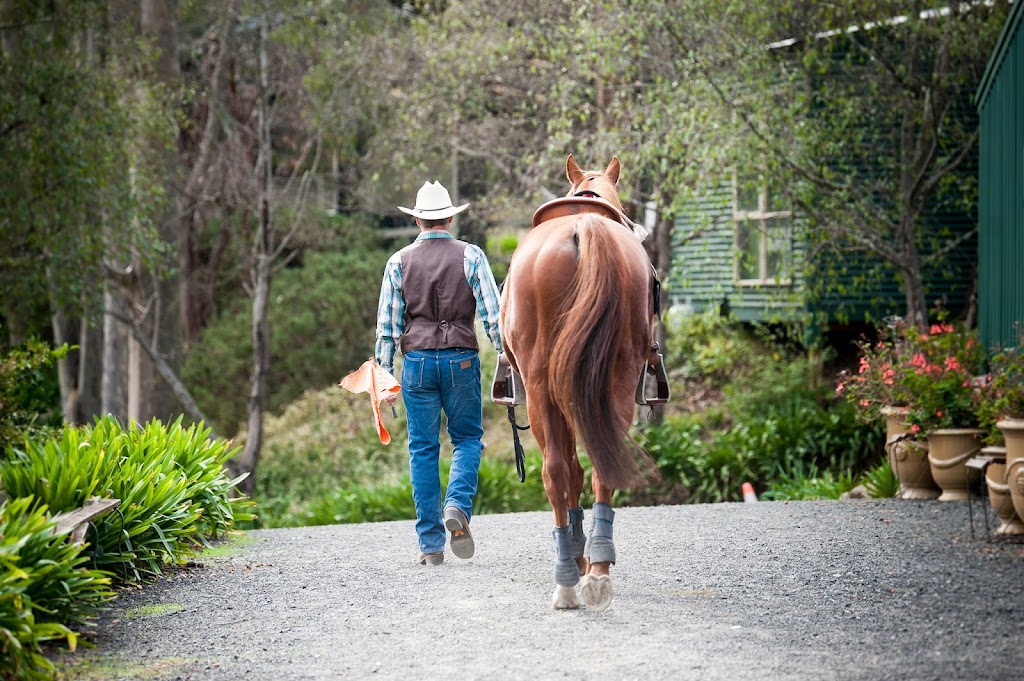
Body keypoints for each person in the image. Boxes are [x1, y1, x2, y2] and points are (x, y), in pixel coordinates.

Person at [376, 180, 503, 566]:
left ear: (417, 220)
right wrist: (508, 357)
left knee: (422, 449)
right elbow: (494, 317)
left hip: (416, 364)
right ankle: (457, 506)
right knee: (467, 440)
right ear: (449, 218)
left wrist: (384, 377)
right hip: (461, 360)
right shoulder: (471, 255)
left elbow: (387, 327)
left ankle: (431, 545)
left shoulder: (398, 262)